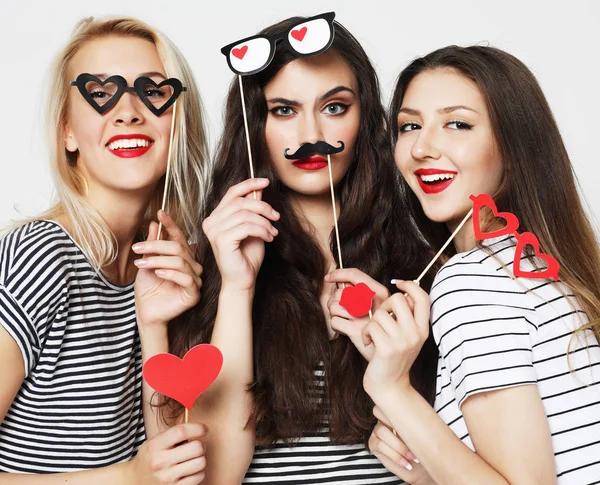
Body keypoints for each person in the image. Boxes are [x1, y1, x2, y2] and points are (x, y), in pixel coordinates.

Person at [168, 13, 437, 485]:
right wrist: (236, 288)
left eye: (334, 107)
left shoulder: (423, 271)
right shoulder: (201, 272)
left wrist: (398, 384)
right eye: (284, 110)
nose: (310, 132)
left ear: (365, 120)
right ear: (255, 126)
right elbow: (216, 477)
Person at [359, 45, 600, 484]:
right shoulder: (546, 270)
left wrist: (392, 390)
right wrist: (424, 471)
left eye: (457, 123)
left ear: (513, 143)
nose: (421, 147)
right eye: (410, 125)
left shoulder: (470, 280)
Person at [0, 16, 209, 484]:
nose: (128, 110)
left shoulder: (172, 261)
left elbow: (170, 468)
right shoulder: (41, 257)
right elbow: (141, 477)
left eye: (153, 92)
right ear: (68, 133)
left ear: (179, 122)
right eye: (99, 93)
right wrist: (125, 479)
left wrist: (153, 323)